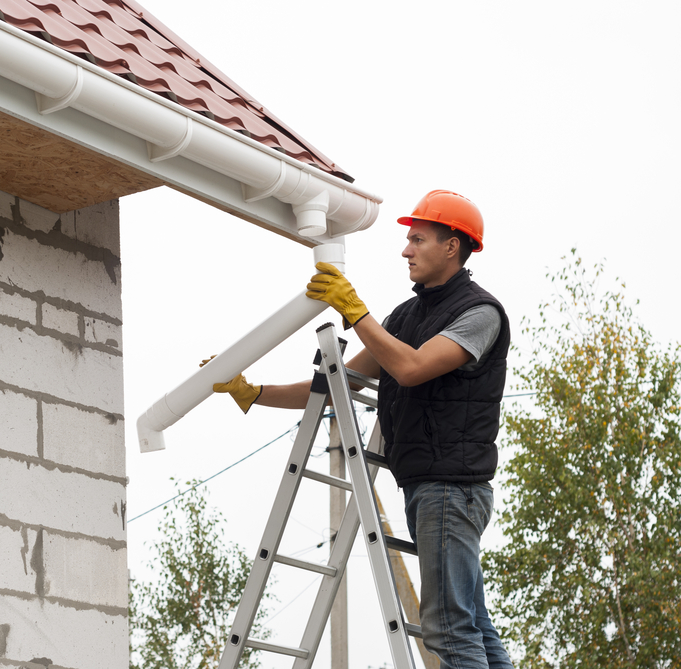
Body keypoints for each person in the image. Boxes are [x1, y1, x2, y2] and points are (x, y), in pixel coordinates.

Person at [212, 190, 514, 669]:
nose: (405, 250)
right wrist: (254, 392)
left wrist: (354, 310)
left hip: (452, 489)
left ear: (452, 246)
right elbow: (336, 386)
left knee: (450, 631)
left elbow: (412, 368)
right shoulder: (406, 317)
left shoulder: (480, 313)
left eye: (417, 239)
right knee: (472, 625)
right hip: (429, 486)